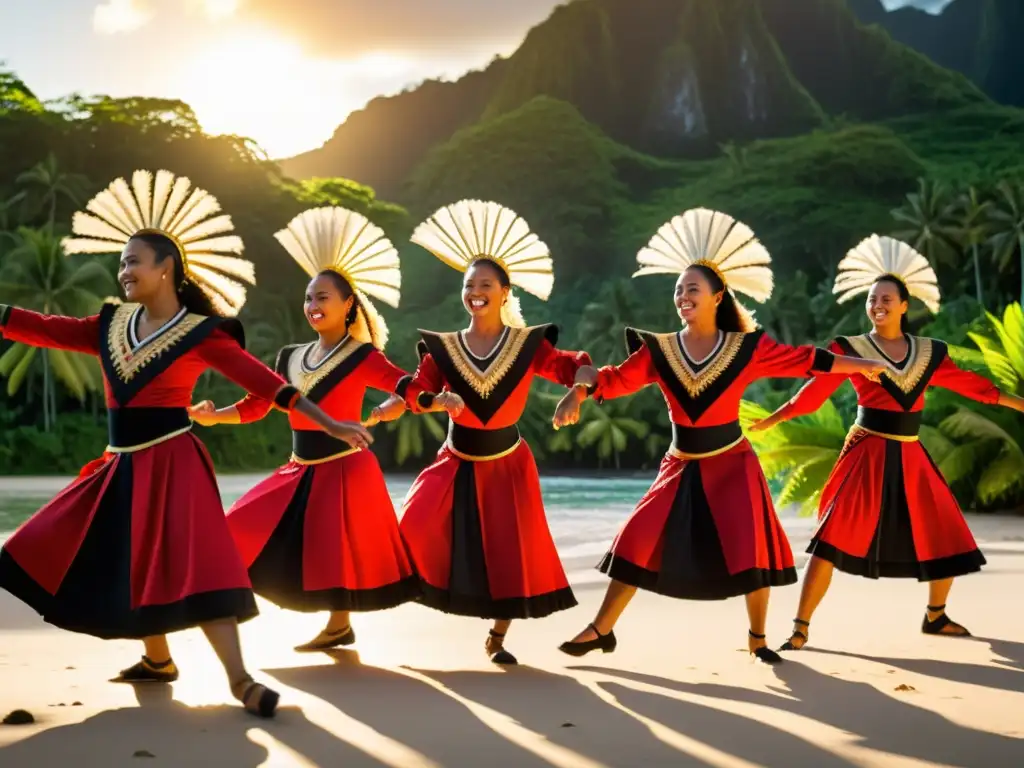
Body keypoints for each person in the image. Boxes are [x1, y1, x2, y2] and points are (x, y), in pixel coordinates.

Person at [0, 171, 372, 718]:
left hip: (173, 461)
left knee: (199, 566)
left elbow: (267, 385)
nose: (123, 271)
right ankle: (158, 661)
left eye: (133, 262)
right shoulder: (109, 325)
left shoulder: (201, 333)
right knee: (122, 559)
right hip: (120, 465)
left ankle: (241, 681)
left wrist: (330, 423)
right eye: (122, 262)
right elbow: (46, 328)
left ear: (165, 267)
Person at [554, 208, 891, 663]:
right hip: (679, 464)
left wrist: (865, 364)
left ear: (717, 297)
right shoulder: (660, 350)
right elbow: (611, 379)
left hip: (732, 463)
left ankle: (757, 639)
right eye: (678, 290)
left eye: (692, 288)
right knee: (636, 539)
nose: (682, 296)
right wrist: (578, 390)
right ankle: (601, 629)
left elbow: (806, 360)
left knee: (749, 548)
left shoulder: (746, 349)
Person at [748, 234, 1024, 650]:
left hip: (911, 452)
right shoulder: (850, 349)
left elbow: (976, 388)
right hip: (867, 452)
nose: (877, 305)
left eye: (886, 299)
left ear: (904, 306)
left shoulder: (930, 353)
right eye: (871, 299)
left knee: (945, 533)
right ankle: (801, 626)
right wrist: (776, 417)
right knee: (831, 538)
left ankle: (935, 616)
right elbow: (812, 394)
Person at [189, 206, 420, 652]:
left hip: (344, 470)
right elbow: (259, 405)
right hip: (299, 467)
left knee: (335, 557)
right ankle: (230, 609)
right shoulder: (290, 356)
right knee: (234, 527)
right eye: (309, 298)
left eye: (323, 298)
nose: (313, 306)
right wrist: (215, 416)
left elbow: (403, 384)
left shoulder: (363, 355)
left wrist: (414, 401)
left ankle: (338, 626)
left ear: (348, 304)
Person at [386, 199, 591, 665]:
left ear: (504, 292)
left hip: (508, 464)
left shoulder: (526, 345)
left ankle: (498, 637)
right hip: (454, 460)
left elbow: (575, 366)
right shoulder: (443, 348)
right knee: (410, 526)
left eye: (485, 284)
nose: (475, 291)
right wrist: (432, 402)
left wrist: (574, 395)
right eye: (468, 285)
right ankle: (388, 605)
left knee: (508, 551)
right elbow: (416, 392)